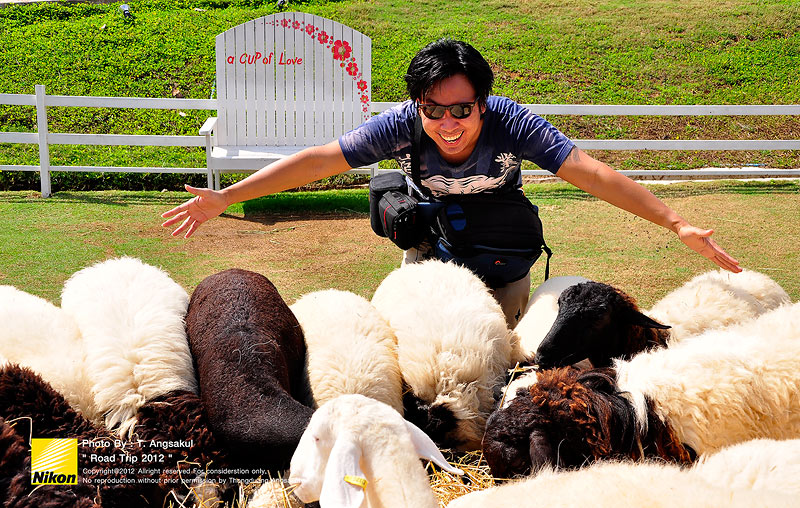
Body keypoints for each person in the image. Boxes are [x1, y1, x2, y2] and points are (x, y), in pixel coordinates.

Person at [162, 38, 741, 326]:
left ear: (483, 104)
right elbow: (319, 160)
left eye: (462, 110)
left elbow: (589, 172)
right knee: (418, 343)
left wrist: (676, 221)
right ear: (417, 105)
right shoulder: (401, 126)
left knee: (510, 345)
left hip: (502, 251)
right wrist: (228, 197)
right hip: (432, 249)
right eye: (433, 110)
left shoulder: (513, 122)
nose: (448, 125)